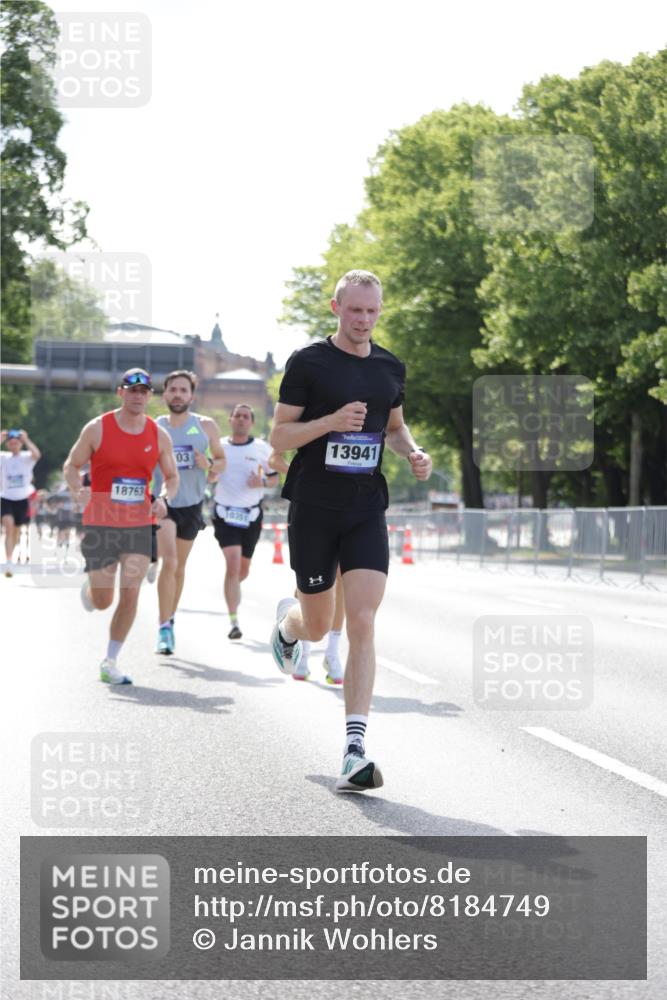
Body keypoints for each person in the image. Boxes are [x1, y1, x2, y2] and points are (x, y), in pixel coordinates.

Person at [269, 270, 432, 791]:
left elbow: (394, 425)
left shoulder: (389, 367)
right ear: (336, 307)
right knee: (318, 625)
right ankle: (289, 628)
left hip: (365, 507)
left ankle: (354, 747)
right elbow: (281, 434)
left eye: (373, 311)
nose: (364, 320)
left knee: (361, 617)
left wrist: (412, 452)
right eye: (355, 310)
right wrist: (330, 421)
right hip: (314, 508)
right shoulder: (309, 363)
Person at [63, 369, 179, 685]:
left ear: (150, 396)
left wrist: (165, 499)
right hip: (100, 522)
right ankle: (92, 589)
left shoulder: (158, 434)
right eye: (132, 390)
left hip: (139, 523)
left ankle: (110, 661)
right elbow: (71, 466)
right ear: (120, 393)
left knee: (131, 592)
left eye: (144, 391)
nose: (138, 396)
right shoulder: (97, 428)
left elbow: (171, 477)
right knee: (104, 600)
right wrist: (77, 490)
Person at [151, 370, 226, 654]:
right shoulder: (155, 427)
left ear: (191, 396)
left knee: (179, 568)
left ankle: (170, 618)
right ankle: (163, 627)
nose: (178, 394)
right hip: (164, 502)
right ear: (165, 394)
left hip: (193, 504)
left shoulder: (205, 427)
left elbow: (221, 464)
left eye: (184, 390)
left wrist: (206, 462)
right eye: (173, 390)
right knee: (169, 563)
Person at [269, 447, 346, 686]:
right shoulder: (310, 414)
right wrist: (303, 473)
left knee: (340, 579)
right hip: (310, 505)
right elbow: (275, 456)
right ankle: (303, 647)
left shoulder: (358, 415)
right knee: (308, 583)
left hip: (348, 504)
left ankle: (332, 653)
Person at [212, 403, 278, 640]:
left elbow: (274, 479)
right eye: (237, 415)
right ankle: (233, 621)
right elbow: (210, 474)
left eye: (246, 416)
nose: (241, 419)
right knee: (232, 565)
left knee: (242, 570)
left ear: (251, 422)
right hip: (225, 513)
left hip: (250, 514)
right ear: (230, 419)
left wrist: (260, 483)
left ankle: (233, 587)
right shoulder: (219, 446)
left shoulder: (262, 448)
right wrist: (209, 471)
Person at [1, 428, 41, 576]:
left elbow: (37, 454)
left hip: (22, 499)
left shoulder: (26, 457)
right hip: (6, 497)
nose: (14, 445)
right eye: (11, 443)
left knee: (16, 531)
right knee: (8, 527)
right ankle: (8, 561)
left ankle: (13, 555)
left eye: (16, 443)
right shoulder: (3, 457)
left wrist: (26, 439)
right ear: (8, 445)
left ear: (20, 444)